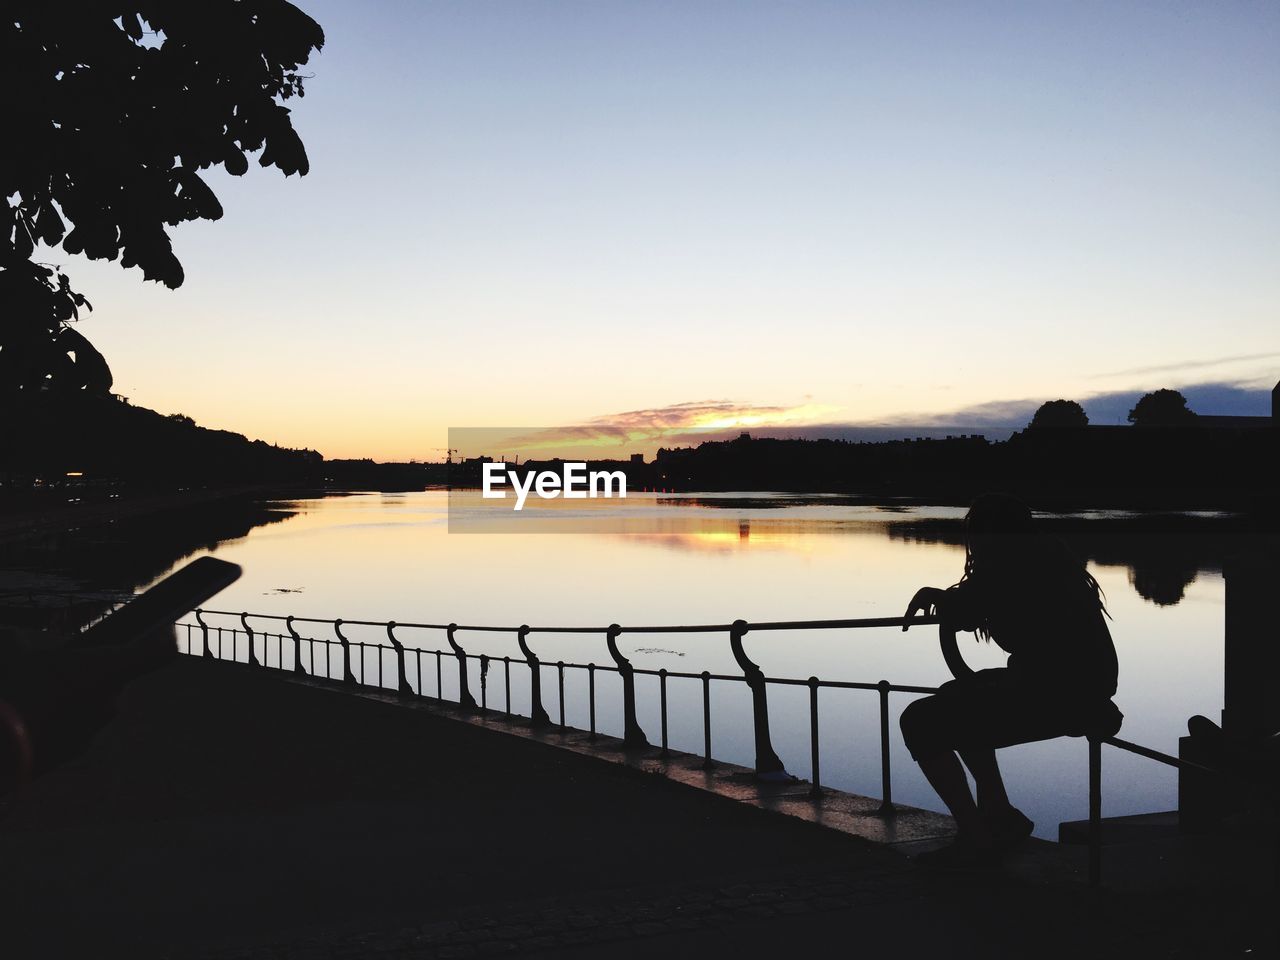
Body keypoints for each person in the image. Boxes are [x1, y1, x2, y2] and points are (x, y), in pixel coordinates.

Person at [900, 493, 1120, 865]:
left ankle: (975, 835)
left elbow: (971, 608)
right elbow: (977, 606)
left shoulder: (1016, 569)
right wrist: (950, 601)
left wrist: (936, 597)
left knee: (918, 721)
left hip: (1060, 692)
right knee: (957, 694)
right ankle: (998, 813)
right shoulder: (1047, 561)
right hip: (1074, 684)